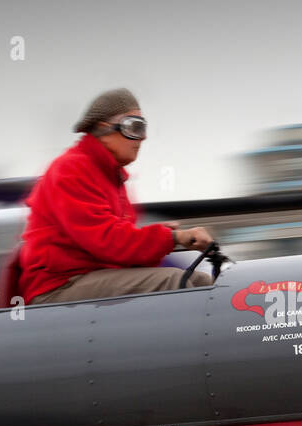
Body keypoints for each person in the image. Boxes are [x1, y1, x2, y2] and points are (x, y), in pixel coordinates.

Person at [18, 88, 215, 305]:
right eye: (134, 127)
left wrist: (164, 237)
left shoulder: (112, 176)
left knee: (202, 281)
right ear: (104, 129)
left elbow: (117, 243)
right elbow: (108, 241)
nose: (144, 137)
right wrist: (172, 238)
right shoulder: (71, 168)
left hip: (94, 275)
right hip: (59, 286)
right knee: (175, 282)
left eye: (144, 127)